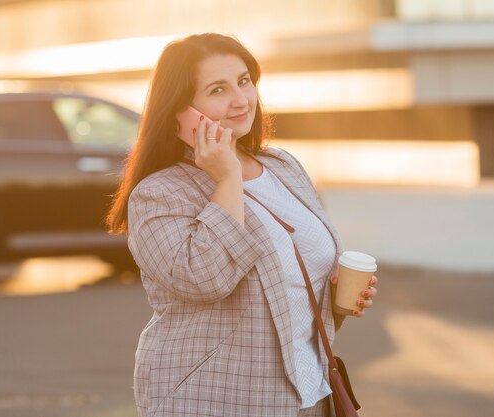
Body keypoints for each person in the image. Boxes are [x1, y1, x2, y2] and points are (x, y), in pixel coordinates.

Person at [106, 33, 378, 417]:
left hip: (310, 394)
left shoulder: (284, 167)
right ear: (181, 113)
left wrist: (336, 297)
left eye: (244, 81)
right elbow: (203, 279)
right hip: (215, 399)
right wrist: (227, 179)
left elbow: (288, 289)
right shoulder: (159, 194)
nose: (241, 99)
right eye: (218, 89)